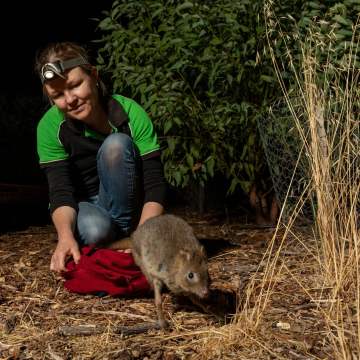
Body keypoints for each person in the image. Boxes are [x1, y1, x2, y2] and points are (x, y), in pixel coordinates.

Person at [35, 42, 167, 273]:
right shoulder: (49, 127)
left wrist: (145, 236)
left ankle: (127, 237)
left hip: (130, 202)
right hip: (85, 208)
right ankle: (112, 240)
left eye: (75, 85)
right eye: (57, 95)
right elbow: (60, 192)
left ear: (93, 75)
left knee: (116, 145)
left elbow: (155, 184)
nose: (70, 99)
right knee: (96, 230)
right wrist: (65, 237)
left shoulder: (130, 113)